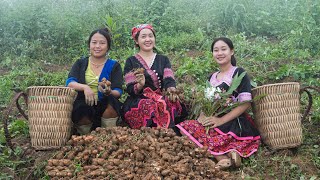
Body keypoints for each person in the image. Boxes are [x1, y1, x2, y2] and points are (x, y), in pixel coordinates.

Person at [176, 37, 260, 169]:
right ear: (212, 54)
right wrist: (202, 115)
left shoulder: (239, 73)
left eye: (223, 49)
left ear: (231, 51)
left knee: (215, 135)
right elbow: (207, 102)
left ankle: (223, 158)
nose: (219, 53)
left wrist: (221, 121)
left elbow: (245, 104)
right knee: (186, 127)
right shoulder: (211, 77)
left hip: (233, 120)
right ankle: (228, 157)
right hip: (213, 119)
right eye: (216, 50)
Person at [121, 24, 187, 131]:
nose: (148, 39)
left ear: (154, 38)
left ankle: (171, 133)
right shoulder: (131, 61)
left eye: (150, 36)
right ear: (137, 41)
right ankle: (155, 134)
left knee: (172, 102)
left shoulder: (163, 59)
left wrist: (172, 90)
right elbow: (130, 89)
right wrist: (140, 85)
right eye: (143, 37)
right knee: (149, 105)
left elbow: (168, 79)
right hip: (139, 99)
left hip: (159, 97)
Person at [66, 28, 123, 135]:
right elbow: (70, 82)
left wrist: (108, 92)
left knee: (112, 103)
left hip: (105, 104)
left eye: (102, 43)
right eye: (94, 42)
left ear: (108, 46)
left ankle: (108, 135)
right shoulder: (81, 63)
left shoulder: (114, 65)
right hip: (85, 102)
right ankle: (85, 136)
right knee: (81, 109)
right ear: (89, 45)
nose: (97, 46)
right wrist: (85, 87)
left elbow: (118, 91)